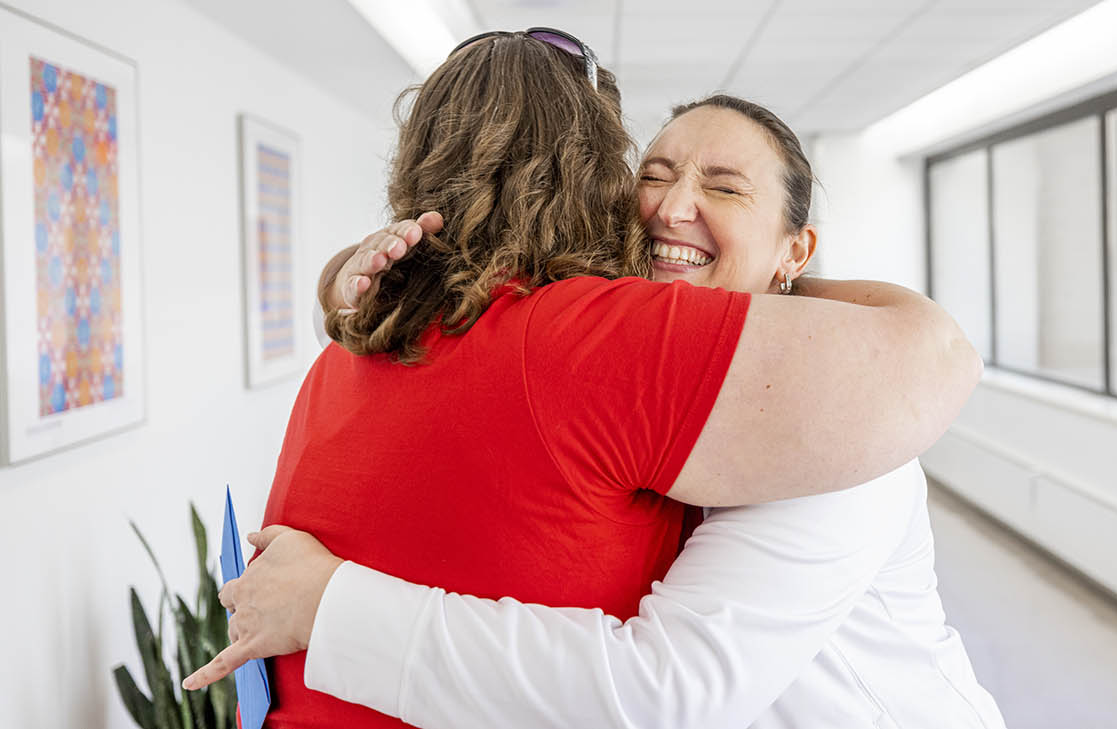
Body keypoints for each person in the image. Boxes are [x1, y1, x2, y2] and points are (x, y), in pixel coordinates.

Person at [185, 31, 983, 729]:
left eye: (726, 188)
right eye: (656, 173)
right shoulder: (604, 350)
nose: (672, 206)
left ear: (796, 250)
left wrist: (331, 607)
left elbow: (667, 694)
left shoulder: (838, 416)